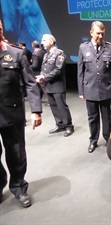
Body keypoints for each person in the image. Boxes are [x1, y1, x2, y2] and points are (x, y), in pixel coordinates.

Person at [0, 19, 42, 207]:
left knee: (16, 154)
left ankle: (18, 187)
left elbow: (30, 83)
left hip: (12, 114)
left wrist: (36, 111)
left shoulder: (15, 54)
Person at [77, 21, 111, 153]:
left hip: (106, 88)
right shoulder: (83, 48)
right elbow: (80, 71)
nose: (100, 36)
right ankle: (93, 140)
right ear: (91, 33)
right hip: (90, 89)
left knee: (106, 117)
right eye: (98, 33)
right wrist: (81, 91)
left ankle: (109, 139)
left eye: (102, 33)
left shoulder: (110, 48)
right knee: (92, 117)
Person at [36, 34, 74, 137]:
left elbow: (58, 70)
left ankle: (69, 126)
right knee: (53, 106)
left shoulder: (59, 54)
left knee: (61, 106)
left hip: (57, 85)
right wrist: (41, 76)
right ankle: (60, 124)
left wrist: (45, 77)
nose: (42, 42)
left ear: (51, 42)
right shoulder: (46, 54)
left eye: (44, 40)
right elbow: (43, 69)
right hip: (48, 85)